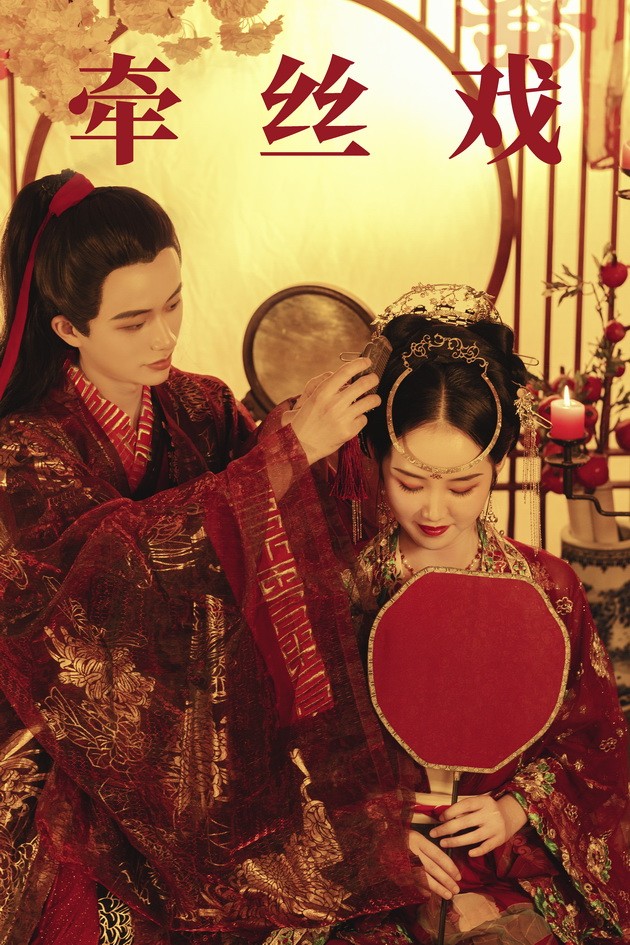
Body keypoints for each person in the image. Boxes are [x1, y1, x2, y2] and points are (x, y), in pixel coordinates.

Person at [0, 171, 422, 943]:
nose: (164, 336)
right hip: (78, 737)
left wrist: (314, 447)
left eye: (174, 303)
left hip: (212, 726)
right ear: (67, 328)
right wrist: (285, 457)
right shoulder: (23, 450)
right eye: (134, 321)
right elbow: (111, 575)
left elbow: (270, 525)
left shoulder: (199, 404)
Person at [333, 284, 630, 945]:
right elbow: (298, 753)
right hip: (379, 861)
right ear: (375, 457)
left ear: (497, 465)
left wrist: (517, 807)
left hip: (512, 856)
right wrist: (379, 833)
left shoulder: (547, 589)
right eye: (410, 481)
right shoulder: (345, 590)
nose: (434, 509)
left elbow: (594, 743)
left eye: (462, 484)